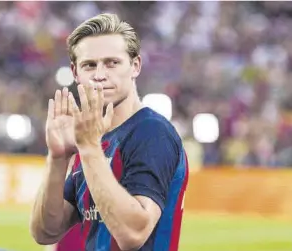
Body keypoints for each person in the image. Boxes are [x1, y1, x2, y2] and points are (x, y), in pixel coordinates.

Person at [30, 13, 189, 251]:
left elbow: (133, 234)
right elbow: (45, 232)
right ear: (75, 73)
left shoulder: (151, 132)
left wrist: (90, 148)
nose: (100, 74)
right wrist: (58, 158)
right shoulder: (94, 139)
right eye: (89, 65)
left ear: (135, 66)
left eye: (112, 63)